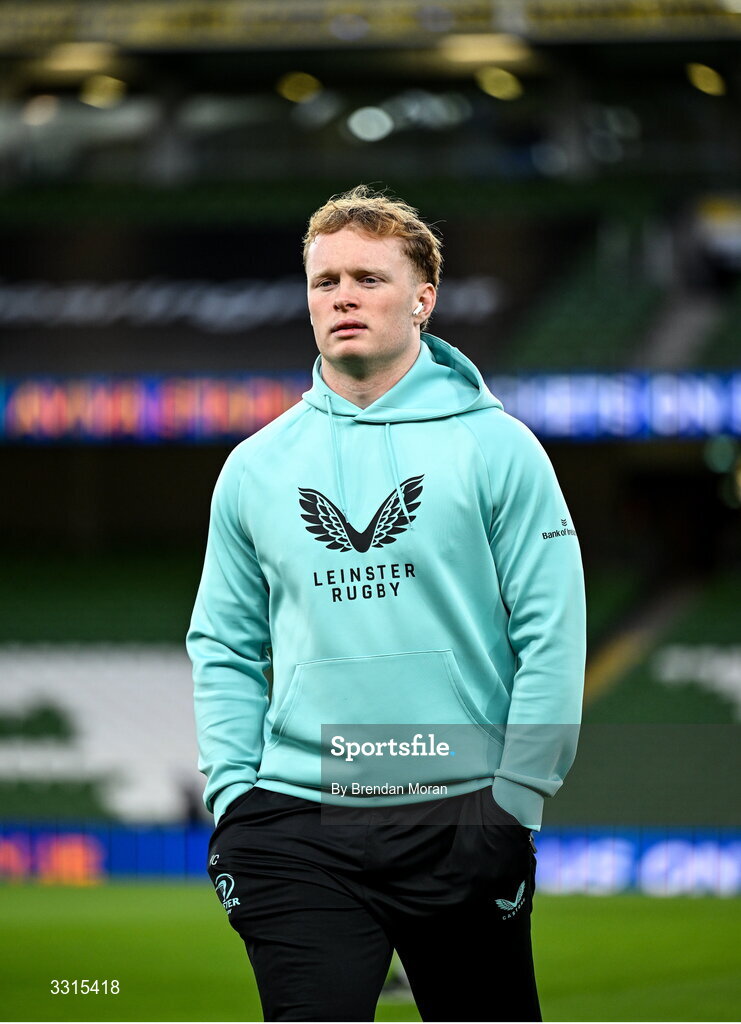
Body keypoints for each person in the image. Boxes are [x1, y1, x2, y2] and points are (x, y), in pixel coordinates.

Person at [187, 185, 586, 1022]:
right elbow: (222, 642)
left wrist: (515, 801)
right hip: (298, 823)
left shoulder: (496, 446)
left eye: (368, 277)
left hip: (462, 811)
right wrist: (233, 798)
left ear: (422, 298)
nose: (342, 297)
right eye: (324, 281)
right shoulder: (256, 465)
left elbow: (553, 633)